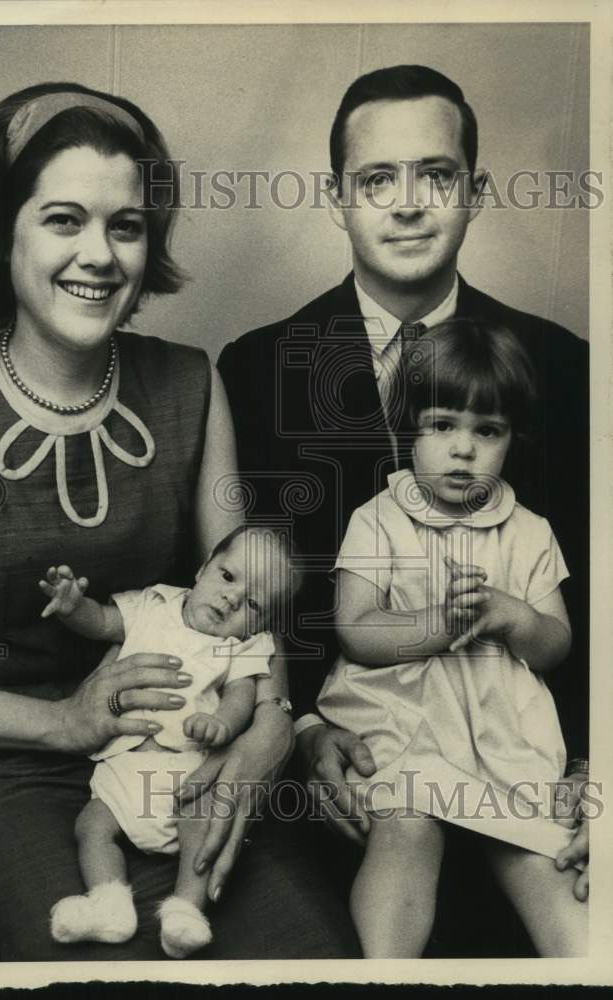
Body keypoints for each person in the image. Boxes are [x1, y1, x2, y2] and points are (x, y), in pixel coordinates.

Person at [0, 82, 358, 961]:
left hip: (183, 750)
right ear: (3, 232)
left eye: (127, 226)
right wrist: (64, 724)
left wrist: (269, 728)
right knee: (105, 974)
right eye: (63, 220)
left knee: (313, 958)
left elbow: (248, 591)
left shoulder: (191, 383)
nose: (99, 255)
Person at [218, 64, 590, 951]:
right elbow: (247, 592)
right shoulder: (257, 367)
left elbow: (592, 595)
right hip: (344, 767)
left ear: (475, 191)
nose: (408, 204)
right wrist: (304, 730)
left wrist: (586, 760)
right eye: (376, 179)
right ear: (335, 198)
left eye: (438, 175)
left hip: (528, 758)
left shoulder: (563, 364)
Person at [319, 320, 586, 957]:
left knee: (536, 851)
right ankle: (388, 969)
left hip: (500, 730)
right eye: (442, 426)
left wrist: (515, 617)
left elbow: (555, 643)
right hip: (405, 714)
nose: (463, 450)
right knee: (407, 830)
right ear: (408, 428)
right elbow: (356, 629)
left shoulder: (529, 531)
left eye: (486, 431)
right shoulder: (378, 519)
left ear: (512, 438)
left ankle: (581, 963)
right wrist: (440, 626)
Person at [38, 526, 295, 958]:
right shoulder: (152, 605)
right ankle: (109, 903)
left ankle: (184, 912)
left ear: (263, 622)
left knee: (202, 831)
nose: (232, 598)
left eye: (253, 603)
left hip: (188, 775)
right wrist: (72, 607)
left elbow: (241, 697)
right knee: (93, 827)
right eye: (228, 577)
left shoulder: (243, 647)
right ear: (202, 567)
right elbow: (102, 622)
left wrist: (221, 726)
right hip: (125, 767)